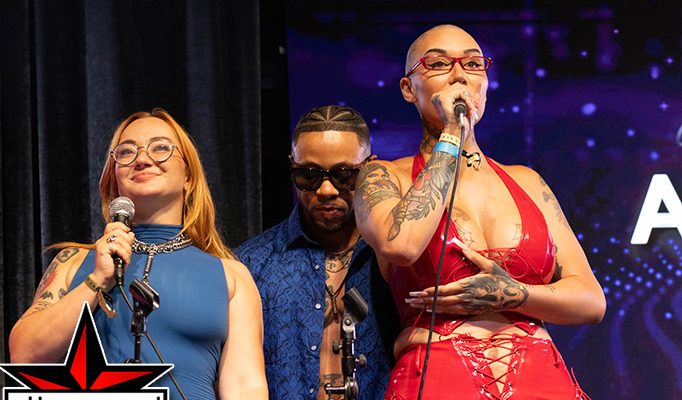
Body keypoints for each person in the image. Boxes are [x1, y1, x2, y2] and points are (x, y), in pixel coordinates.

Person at [353, 25, 606, 399]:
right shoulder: (383, 175)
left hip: (541, 381)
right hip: (438, 379)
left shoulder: (528, 181)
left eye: (473, 64)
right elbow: (402, 246)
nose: (459, 75)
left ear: (485, 84)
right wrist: (451, 134)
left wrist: (514, 294)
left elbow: (591, 300)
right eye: (439, 63)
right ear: (408, 88)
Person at [9, 109, 268, 400]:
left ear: (188, 175)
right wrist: (96, 281)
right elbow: (24, 354)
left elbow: (245, 386)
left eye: (160, 148)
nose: (142, 159)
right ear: (114, 178)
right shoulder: (72, 262)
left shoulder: (231, 276)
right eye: (126, 152)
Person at [236, 105, 399, 400]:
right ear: (292, 168)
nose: (326, 190)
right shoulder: (249, 265)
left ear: (370, 169)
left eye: (344, 175)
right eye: (308, 175)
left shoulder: (398, 261)